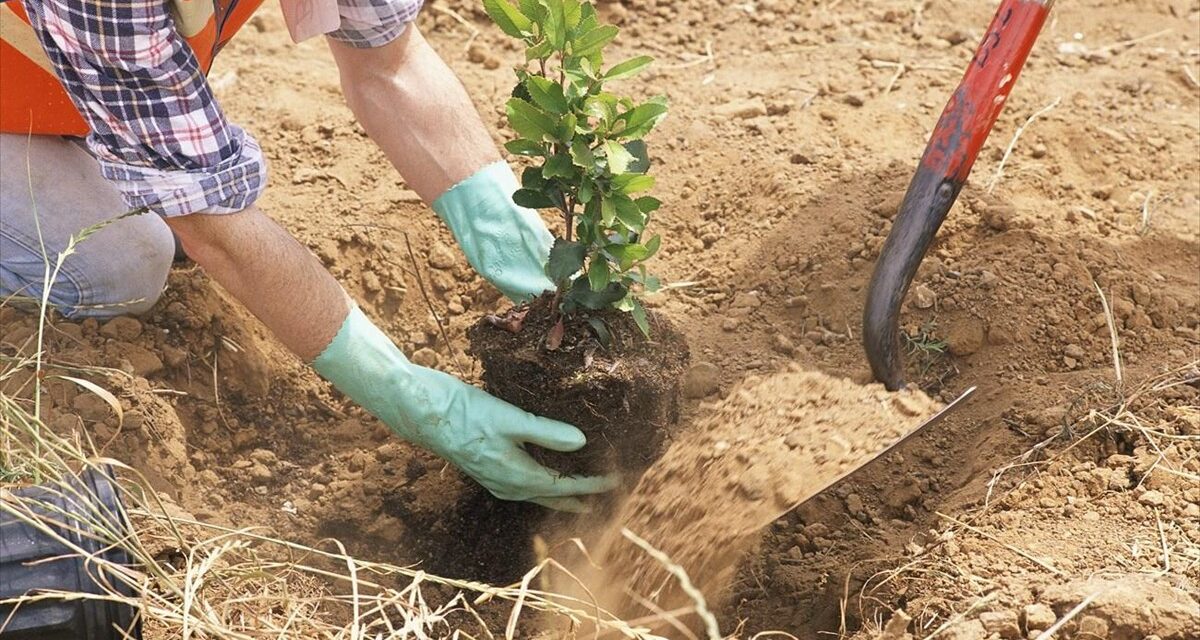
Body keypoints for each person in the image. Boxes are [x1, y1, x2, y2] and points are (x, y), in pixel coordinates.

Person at [0, 0, 617, 511]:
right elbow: (210, 222)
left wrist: (519, 245)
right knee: (117, 265)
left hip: (58, 93)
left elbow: (388, 63)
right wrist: (409, 398)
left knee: (163, 195)